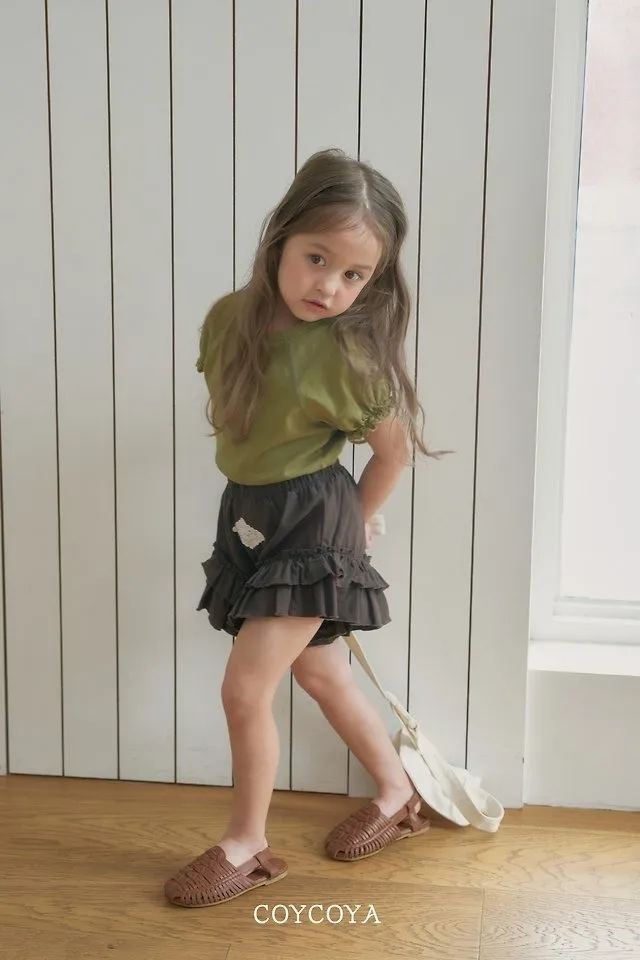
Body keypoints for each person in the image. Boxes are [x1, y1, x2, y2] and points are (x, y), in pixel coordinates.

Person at [164, 148, 440, 909]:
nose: (330, 287)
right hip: (252, 513)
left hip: (313, 522)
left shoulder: (348, 359)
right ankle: (398, 793)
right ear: (280, 237)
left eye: (354, 275)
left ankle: (247, 845)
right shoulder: (229, 318)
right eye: (318, 259)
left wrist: (359, 521)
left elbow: (392, 452)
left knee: (244, 689)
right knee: (322, 674)